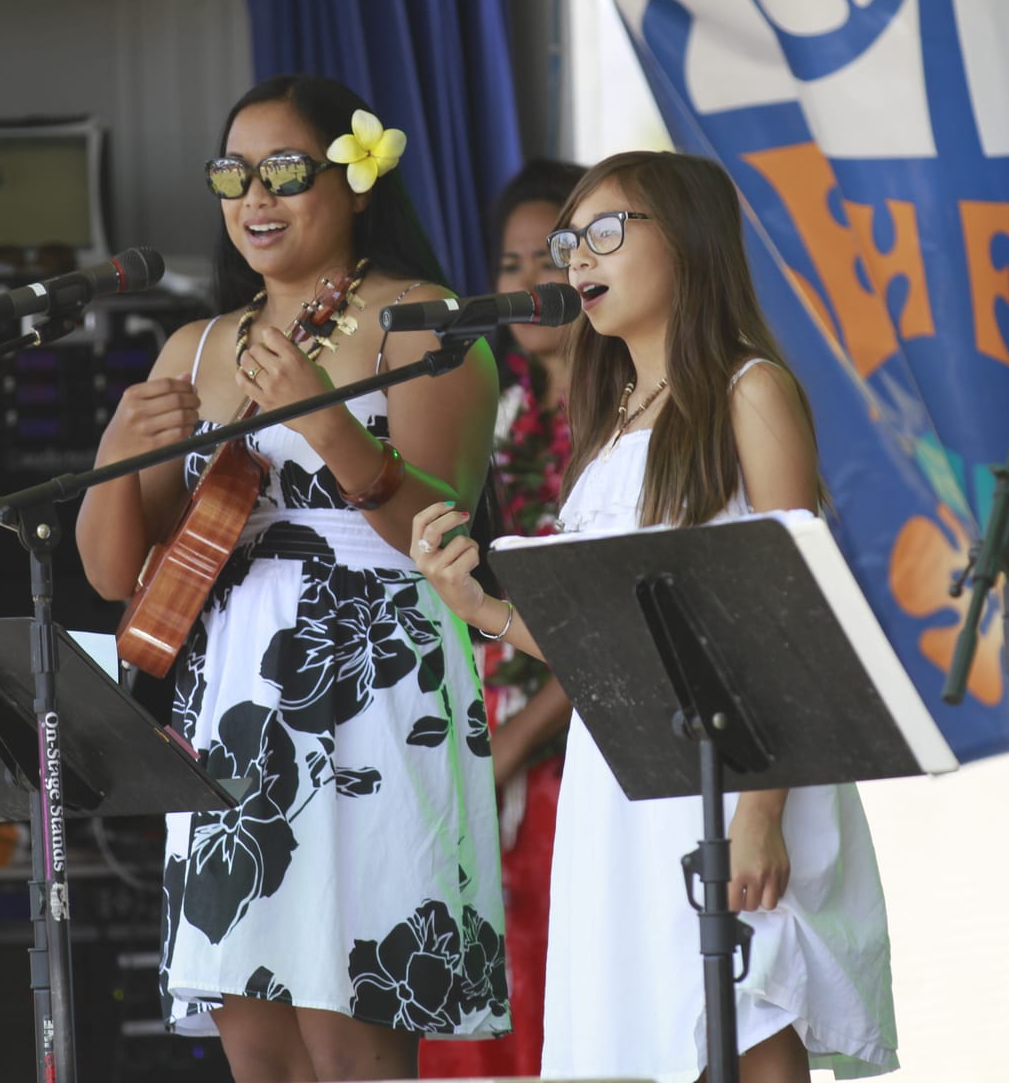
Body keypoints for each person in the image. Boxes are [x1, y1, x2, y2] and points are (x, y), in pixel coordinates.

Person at [409, 151, 898, 1082]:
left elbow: (792, 616)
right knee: (647, 1024)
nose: (574, 261)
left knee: (748, 1016)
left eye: (603, 234)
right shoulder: (612, 418)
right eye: (567, 241)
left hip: (742, 762)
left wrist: (761, 813)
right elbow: (609, 646)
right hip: (627, 770)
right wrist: (483, 609)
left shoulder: (749, 391)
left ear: (689, 243)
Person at [76, 74, 508, 1080]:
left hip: (373, 680)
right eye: (235, 174)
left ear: (358, 182)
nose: (254, 199)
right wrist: (117, 450)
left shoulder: (424, 321)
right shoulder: (196, 344)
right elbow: (112, 573)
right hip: (230, 696)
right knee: (257, 1034)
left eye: (285, 171)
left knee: (354, 1027)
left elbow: (440, 538)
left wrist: (322, 418)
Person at [418, 158, 585, 1078]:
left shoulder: (623, 418)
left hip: (575, 748)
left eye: (553, 254)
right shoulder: (494, 409)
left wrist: (517, 742)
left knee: (558, 995)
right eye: (512, 262)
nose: (530, 282)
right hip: (477, 733)